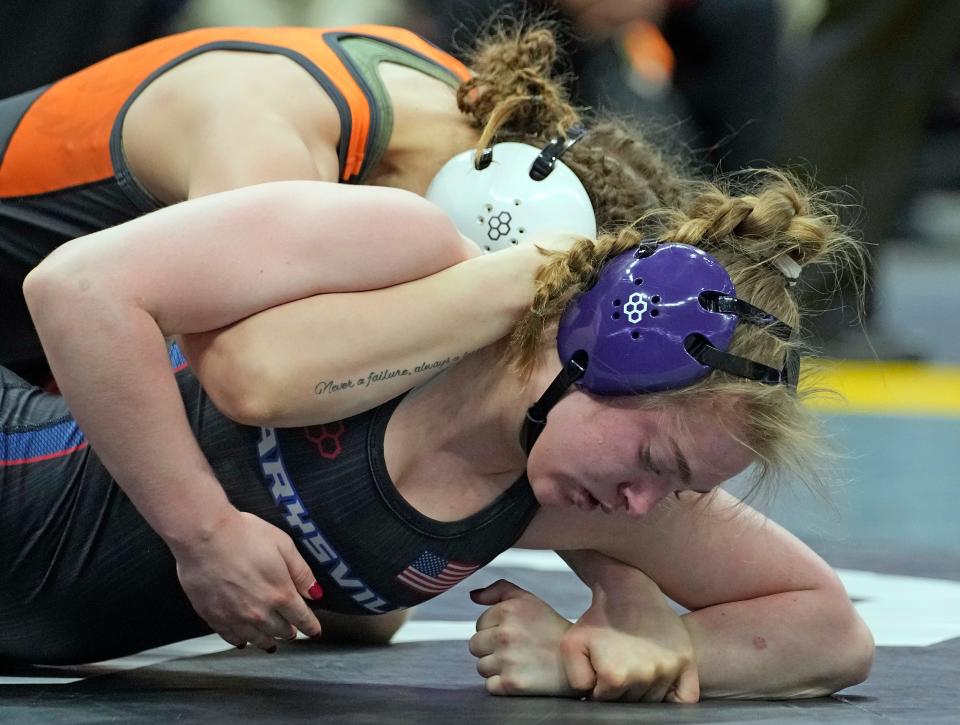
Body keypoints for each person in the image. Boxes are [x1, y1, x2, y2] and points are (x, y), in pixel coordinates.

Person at [6, 164, 873, 700]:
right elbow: (76, 290)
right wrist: (200, 528)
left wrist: (646, 647)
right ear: (599, 354)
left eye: (678, 489)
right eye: (655, 459)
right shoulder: (408, 251)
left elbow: (831, 631)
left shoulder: (590, 497)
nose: (646, 503)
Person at [0, 18, 690, 657]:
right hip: (58, 322)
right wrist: (205, 533)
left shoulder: (464, 120)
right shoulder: (264, 135)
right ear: (495, 228)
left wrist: (617, 568)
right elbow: (249, 376)